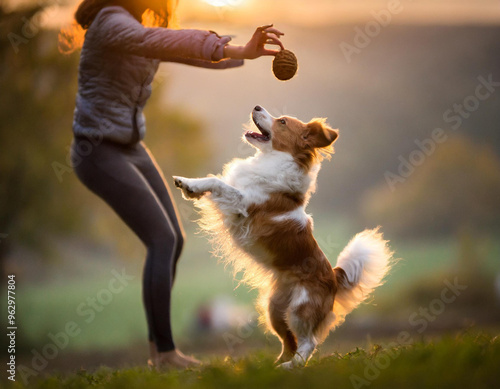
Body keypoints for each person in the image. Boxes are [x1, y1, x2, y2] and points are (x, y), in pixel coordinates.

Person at [68, 0, 284, 370]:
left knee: (174, 240)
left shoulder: (131, 26)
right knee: (161, 239)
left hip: (130, 146)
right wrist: (232, 48)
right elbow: (168, 40)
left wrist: (239, 52)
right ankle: (166, 355)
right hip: (98, 152)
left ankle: (159, 353)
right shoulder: (110, 22)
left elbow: (177, 48)